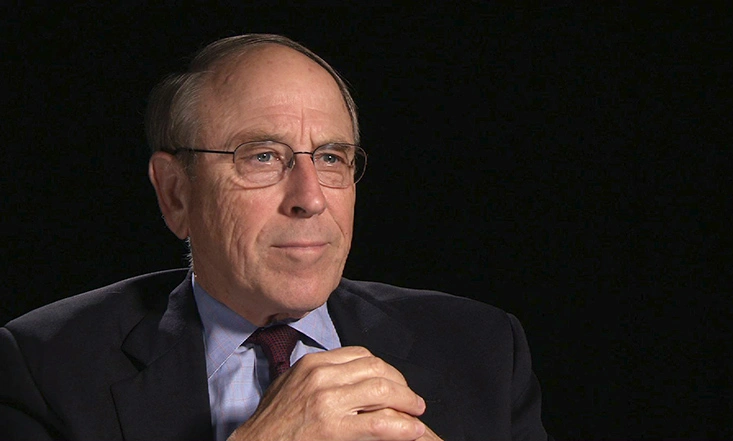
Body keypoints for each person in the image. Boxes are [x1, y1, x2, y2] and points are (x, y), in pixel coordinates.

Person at [0, 34, 551, 441]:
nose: (310, 197)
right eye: (263, 157)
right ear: (175, 195)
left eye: (331, 158)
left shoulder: (482, 348)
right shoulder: (45, 367)